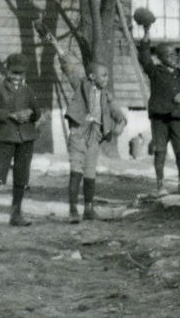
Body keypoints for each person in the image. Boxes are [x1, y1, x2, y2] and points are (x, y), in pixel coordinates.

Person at [46, 34, 127, 224]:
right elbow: (70, 66)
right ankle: (73, 209)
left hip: (95, 137)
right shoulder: (82, 84)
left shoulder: (106, 95)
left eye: (107, 75)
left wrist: (121, 124)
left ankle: (88, 209)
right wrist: (56, 45)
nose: (107, 78)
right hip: (79, 134)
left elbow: (117, 112)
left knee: (90, 172)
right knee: (76, 170)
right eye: (103, 75)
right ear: (92, 76)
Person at [0, 53, 43, 230]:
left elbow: (37, 112)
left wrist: (30, 113)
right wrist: (9, 115)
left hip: (26, 139)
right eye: (14, 72)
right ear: (7, 71)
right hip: (6, 138)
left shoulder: (28, 90)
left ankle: (16, 214)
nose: (17, 77)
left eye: (21, 73)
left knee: (21, 177)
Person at [137, 33, 180, 197]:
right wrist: (145, 45)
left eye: (175, 54)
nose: (173, 57)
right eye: (169, 55)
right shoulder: (155, 71)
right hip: (159, 117)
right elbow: (145, 60)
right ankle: (160, 185)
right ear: (160, 57)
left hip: (177, 117)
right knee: (159, 150)